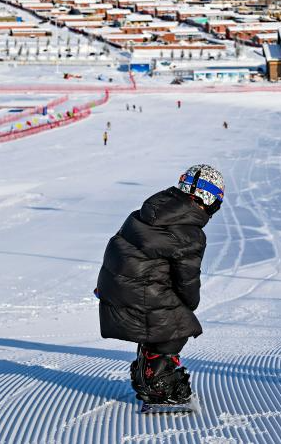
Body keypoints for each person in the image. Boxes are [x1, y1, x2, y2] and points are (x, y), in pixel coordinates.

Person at [96, 164, 225, 407]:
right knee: (179, 324)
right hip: (135, 289)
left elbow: (120, 245)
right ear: (208, 200)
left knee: (163, 316)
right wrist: (190, 304)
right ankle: (157, 382)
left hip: (114, 284)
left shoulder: (149, 211)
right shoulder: (189, 232)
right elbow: (187, 282)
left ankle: (146, 369)